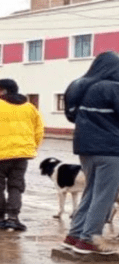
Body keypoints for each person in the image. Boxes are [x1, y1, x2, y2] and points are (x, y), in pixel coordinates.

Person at [61, 51, 119, 254]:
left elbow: (72, 116)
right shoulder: (112, 88)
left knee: (92, 191)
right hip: (111, 149)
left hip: (85, 148)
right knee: (104, 195)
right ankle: (89, 240)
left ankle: (74, 235)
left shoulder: (80, 85)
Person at [0, 79, 44, 231]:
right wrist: (31, 148)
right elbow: (39, 131)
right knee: (16, 186)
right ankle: (13, 218)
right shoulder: (29, 107)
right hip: (21, 156)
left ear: (3, 91)